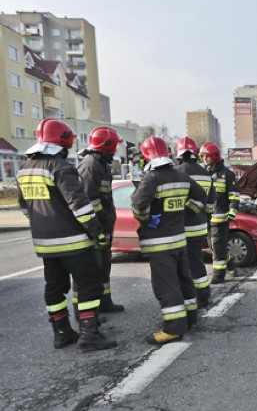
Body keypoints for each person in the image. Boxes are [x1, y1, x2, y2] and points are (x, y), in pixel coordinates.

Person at [16, 118, 116, 351]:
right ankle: (90, 335)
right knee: (89, 284)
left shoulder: (24, 169)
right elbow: (80, 206)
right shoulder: (60, 168)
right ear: (62, 143)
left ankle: (61, 333)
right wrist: (98, 233)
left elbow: (25, 208)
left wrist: (44, 226)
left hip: (44, 244)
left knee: (54, 288)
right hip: (72, 242)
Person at [132, 136, 207, 345]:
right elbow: (201, 198)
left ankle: (173, 329)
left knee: (166, 286)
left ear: (147, 156)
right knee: (184, 279)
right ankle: (190, 318)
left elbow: (139, 207)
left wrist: (148, 218)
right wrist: (183, 210)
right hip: (179, 239)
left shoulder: (151, 179)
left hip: (159, 243)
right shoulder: (180, 176)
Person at [76, 126, 125, 315]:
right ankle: (91, 312)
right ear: (108, 146)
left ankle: (104, 302)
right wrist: (99, 225)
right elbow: (89, 200)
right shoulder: (90, 165)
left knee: (104, 266)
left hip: (103, 226)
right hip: (94, 228)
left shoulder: (101, 164)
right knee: (93, 270)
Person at [174, 137, 216, 308]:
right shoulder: (206, 174)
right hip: (199, 227)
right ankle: (204, 296)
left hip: (180, 227)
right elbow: (211, 204)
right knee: (197, 262)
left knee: (181, 265)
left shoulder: (176, 172)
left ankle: (187, 298)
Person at [199, 142, 239, 284]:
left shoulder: (227, 174)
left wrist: (232, 210)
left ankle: (218, 276)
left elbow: (234, 195)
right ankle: (230, 263)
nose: (204, 159)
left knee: (217, 247)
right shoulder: (203, 174)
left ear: (214, 157)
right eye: (202, 156)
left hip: (221, 218)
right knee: (213, 247)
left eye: (207, 156)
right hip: (207, 218)